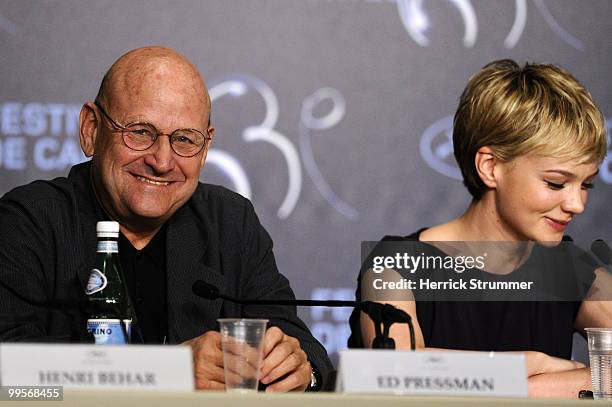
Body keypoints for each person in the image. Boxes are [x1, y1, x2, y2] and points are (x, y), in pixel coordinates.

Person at [0, 46, 333, 392]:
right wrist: (167, 370)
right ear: (91, 128)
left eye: (185, 140)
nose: (161, 161)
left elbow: (302, 346)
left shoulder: (231, 222)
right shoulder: (28, 220)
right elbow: (8, 359)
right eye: (140, 132)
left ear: (205, 150)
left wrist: (299, 368)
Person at [348, 59, 611, 398]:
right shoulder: (395, 265)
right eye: (556, 183)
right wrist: (528, 366)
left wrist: (528, 386)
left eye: (586, 184)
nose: (577, 204)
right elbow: (397, 375)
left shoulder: (571, 269)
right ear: (490, 167)